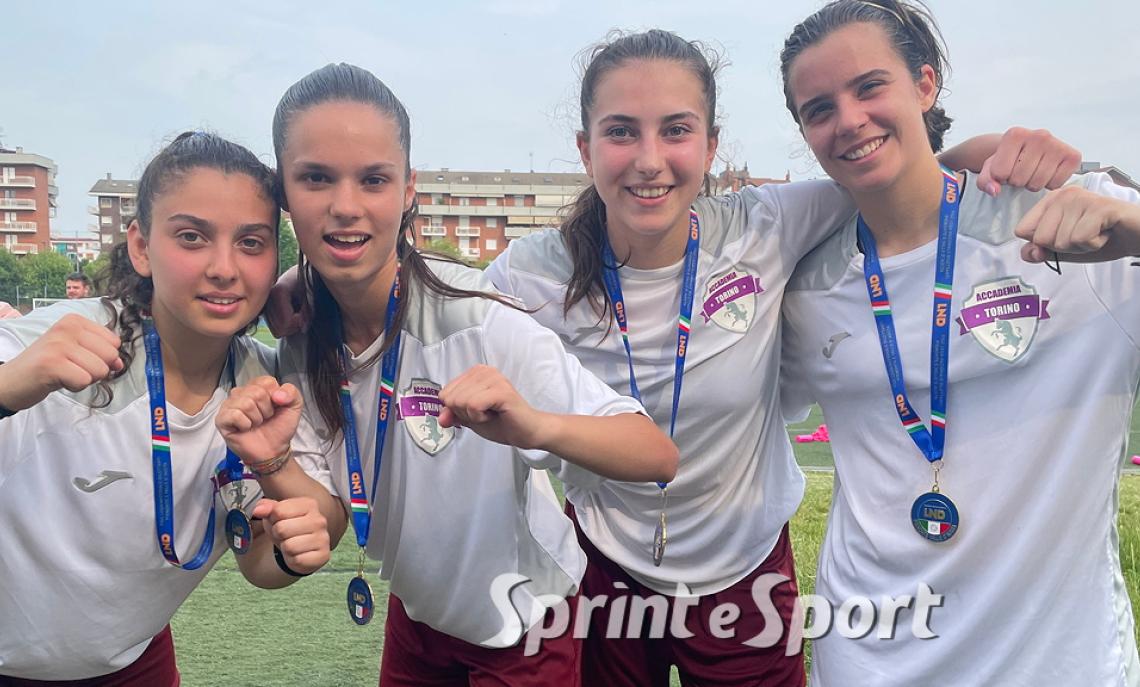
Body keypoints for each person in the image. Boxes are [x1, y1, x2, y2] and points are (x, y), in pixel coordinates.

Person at [485, 29, 1081, 687]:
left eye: (676, 130)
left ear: (711, 145)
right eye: (621, 131)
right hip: (604, 565)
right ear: (585, 148)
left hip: (745, 574)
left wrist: (992, 155)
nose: (649, 160)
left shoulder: (766, 225)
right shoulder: (529, 272)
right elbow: (429, 327)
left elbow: (897, 171)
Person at [219, 63, 678, 687]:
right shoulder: (299, 333)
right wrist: (274, 466)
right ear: (283, 193)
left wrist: (533, 425)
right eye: (316, 178)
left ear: (408, 189)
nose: (345, 206)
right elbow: (327, 511)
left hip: (524, 627)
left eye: (373, 179)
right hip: (418, 618)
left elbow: (655, 455)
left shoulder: (479, 321)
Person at [777, 2, 1139, 685]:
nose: (848, 119)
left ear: (925, 84)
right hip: (868, 657)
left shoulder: (1076, 218)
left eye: (869, 87)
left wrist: (1136, 224)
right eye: (818, 108)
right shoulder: (808, 282)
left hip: (1059, 663)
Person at [0, 132, 331, 685]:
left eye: (251, 243)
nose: (224, 268)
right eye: (192, 237)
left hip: (134, 666)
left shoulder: (267, 386)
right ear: (140, 246)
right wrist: (9, 387)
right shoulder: (52, 341)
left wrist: (289, 552)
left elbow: (256, 559)